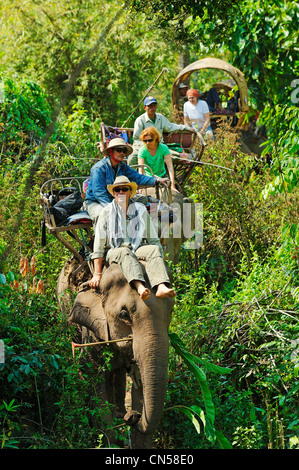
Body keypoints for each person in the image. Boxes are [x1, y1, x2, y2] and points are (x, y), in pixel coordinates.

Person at [89, 175, 176, 301]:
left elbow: (153, 239)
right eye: (117, 190)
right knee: (125, 252)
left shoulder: (140, 209)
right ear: (113, 193)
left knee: (153, 249)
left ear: (130, 192)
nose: (121, 192)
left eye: (124, 189)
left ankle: (161, 286)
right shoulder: (106, 212)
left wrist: (159, 258)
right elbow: (99, 244)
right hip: (116, 249)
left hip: (137, 247)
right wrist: (97, 274)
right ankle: (140, 286)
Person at [85, 137, 170, 228]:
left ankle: (145, 230)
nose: (122, 153)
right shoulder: (99, 169)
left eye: (124, 151)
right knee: (102, 214)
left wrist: (156, 180)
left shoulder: (123, 167)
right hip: (96, 202)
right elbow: (99, 193)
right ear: (111, 152)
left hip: (117, 198)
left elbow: (138, 178)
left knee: (141, 201)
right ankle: (102, 239)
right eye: (119, 150)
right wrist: (112, 207)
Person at [137, 127, 178, 192]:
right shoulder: (142, 150)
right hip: (148, 178)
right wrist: (141, 185)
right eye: (145, 141)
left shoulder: (163, 148)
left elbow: (170, 166)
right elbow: (141, 169)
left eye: (150, 140)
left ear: (156, 138)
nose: (147, 143)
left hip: (162, 176)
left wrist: (173, 185)